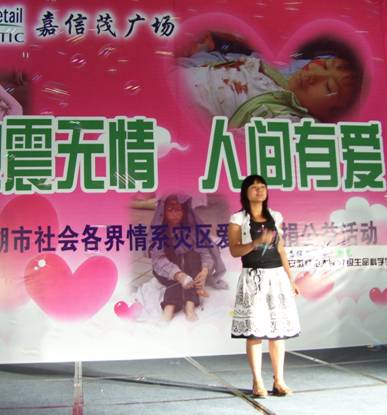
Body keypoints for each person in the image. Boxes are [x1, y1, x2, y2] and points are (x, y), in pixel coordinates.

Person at [178, 33, 363, 126]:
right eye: (324, 64)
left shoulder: (286, 122)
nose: (315, 74)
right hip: (182, 76)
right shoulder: (272, 72)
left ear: (331, 117)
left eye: (328, 86)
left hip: (181, 111)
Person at [228, 175, 300, 397]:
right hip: (253, 278)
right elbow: (234, 250)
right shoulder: (238, 218)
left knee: (278, 332)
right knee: (255, 332)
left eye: (263, 187)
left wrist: (290, 279)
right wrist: (256, 242)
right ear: (246, 192)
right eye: (254, 187)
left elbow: (281, 249)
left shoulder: (275, 217)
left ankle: (279, 381)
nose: (260, 190)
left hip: (276, 277)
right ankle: (257, 382)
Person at [150, 194, 226, 321]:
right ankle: (169, 307)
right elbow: (158, 260)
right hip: (167, 272)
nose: (174, 214)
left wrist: (205, 270)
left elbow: (205, 252)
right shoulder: (158, 232)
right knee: (176, 277)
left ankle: (189, 305)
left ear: (184, 211)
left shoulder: (191, 228)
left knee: (193, 258)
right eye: (170, 210)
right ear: (163, 212)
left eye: (178, 210)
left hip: (190, 269)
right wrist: (178, 275)